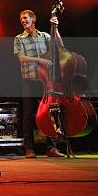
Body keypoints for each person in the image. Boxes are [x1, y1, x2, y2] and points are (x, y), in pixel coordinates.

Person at [13, 9, 65, 158]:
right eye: (21, 18)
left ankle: (51, 147)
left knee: (50, 113)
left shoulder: (45, 36)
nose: (23, 20)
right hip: (29, 80)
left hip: (46, 82)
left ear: (33, 19)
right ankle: (29, 148)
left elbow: (60, 46)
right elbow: (22, 58)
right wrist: (39, 60)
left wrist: (56, 29)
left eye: (25, 18)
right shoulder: (19, 38)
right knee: (28, 114)